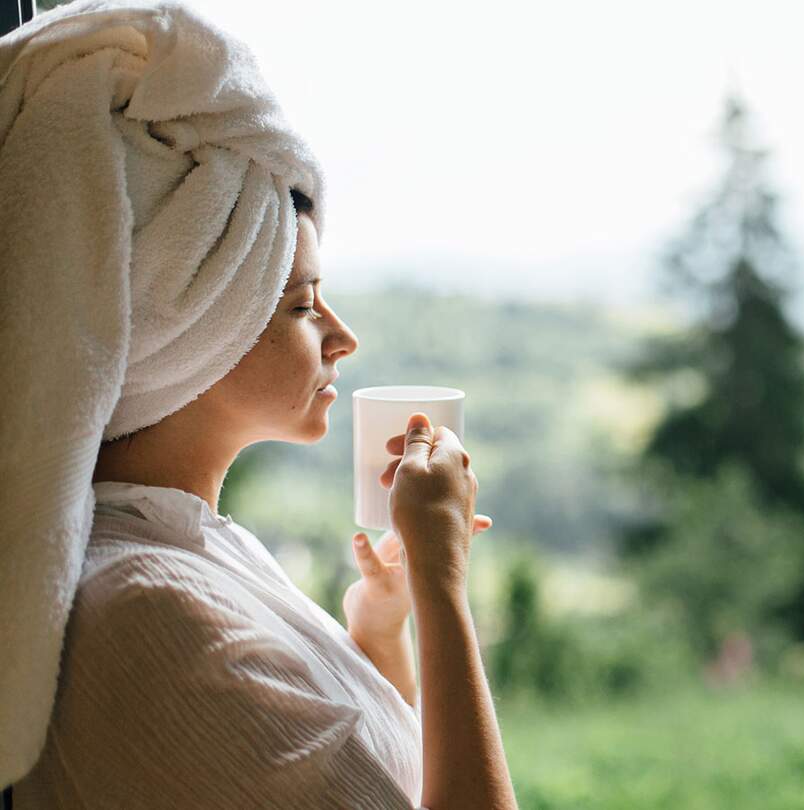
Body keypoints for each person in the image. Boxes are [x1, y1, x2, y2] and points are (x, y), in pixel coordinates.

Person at [0, 2, 518, 807]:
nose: (342, 338)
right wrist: (445, 588)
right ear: (196, 328)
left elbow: (387, 783)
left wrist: (380, 629)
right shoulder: (155, 614)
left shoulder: (191, 549)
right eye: (304, 305)